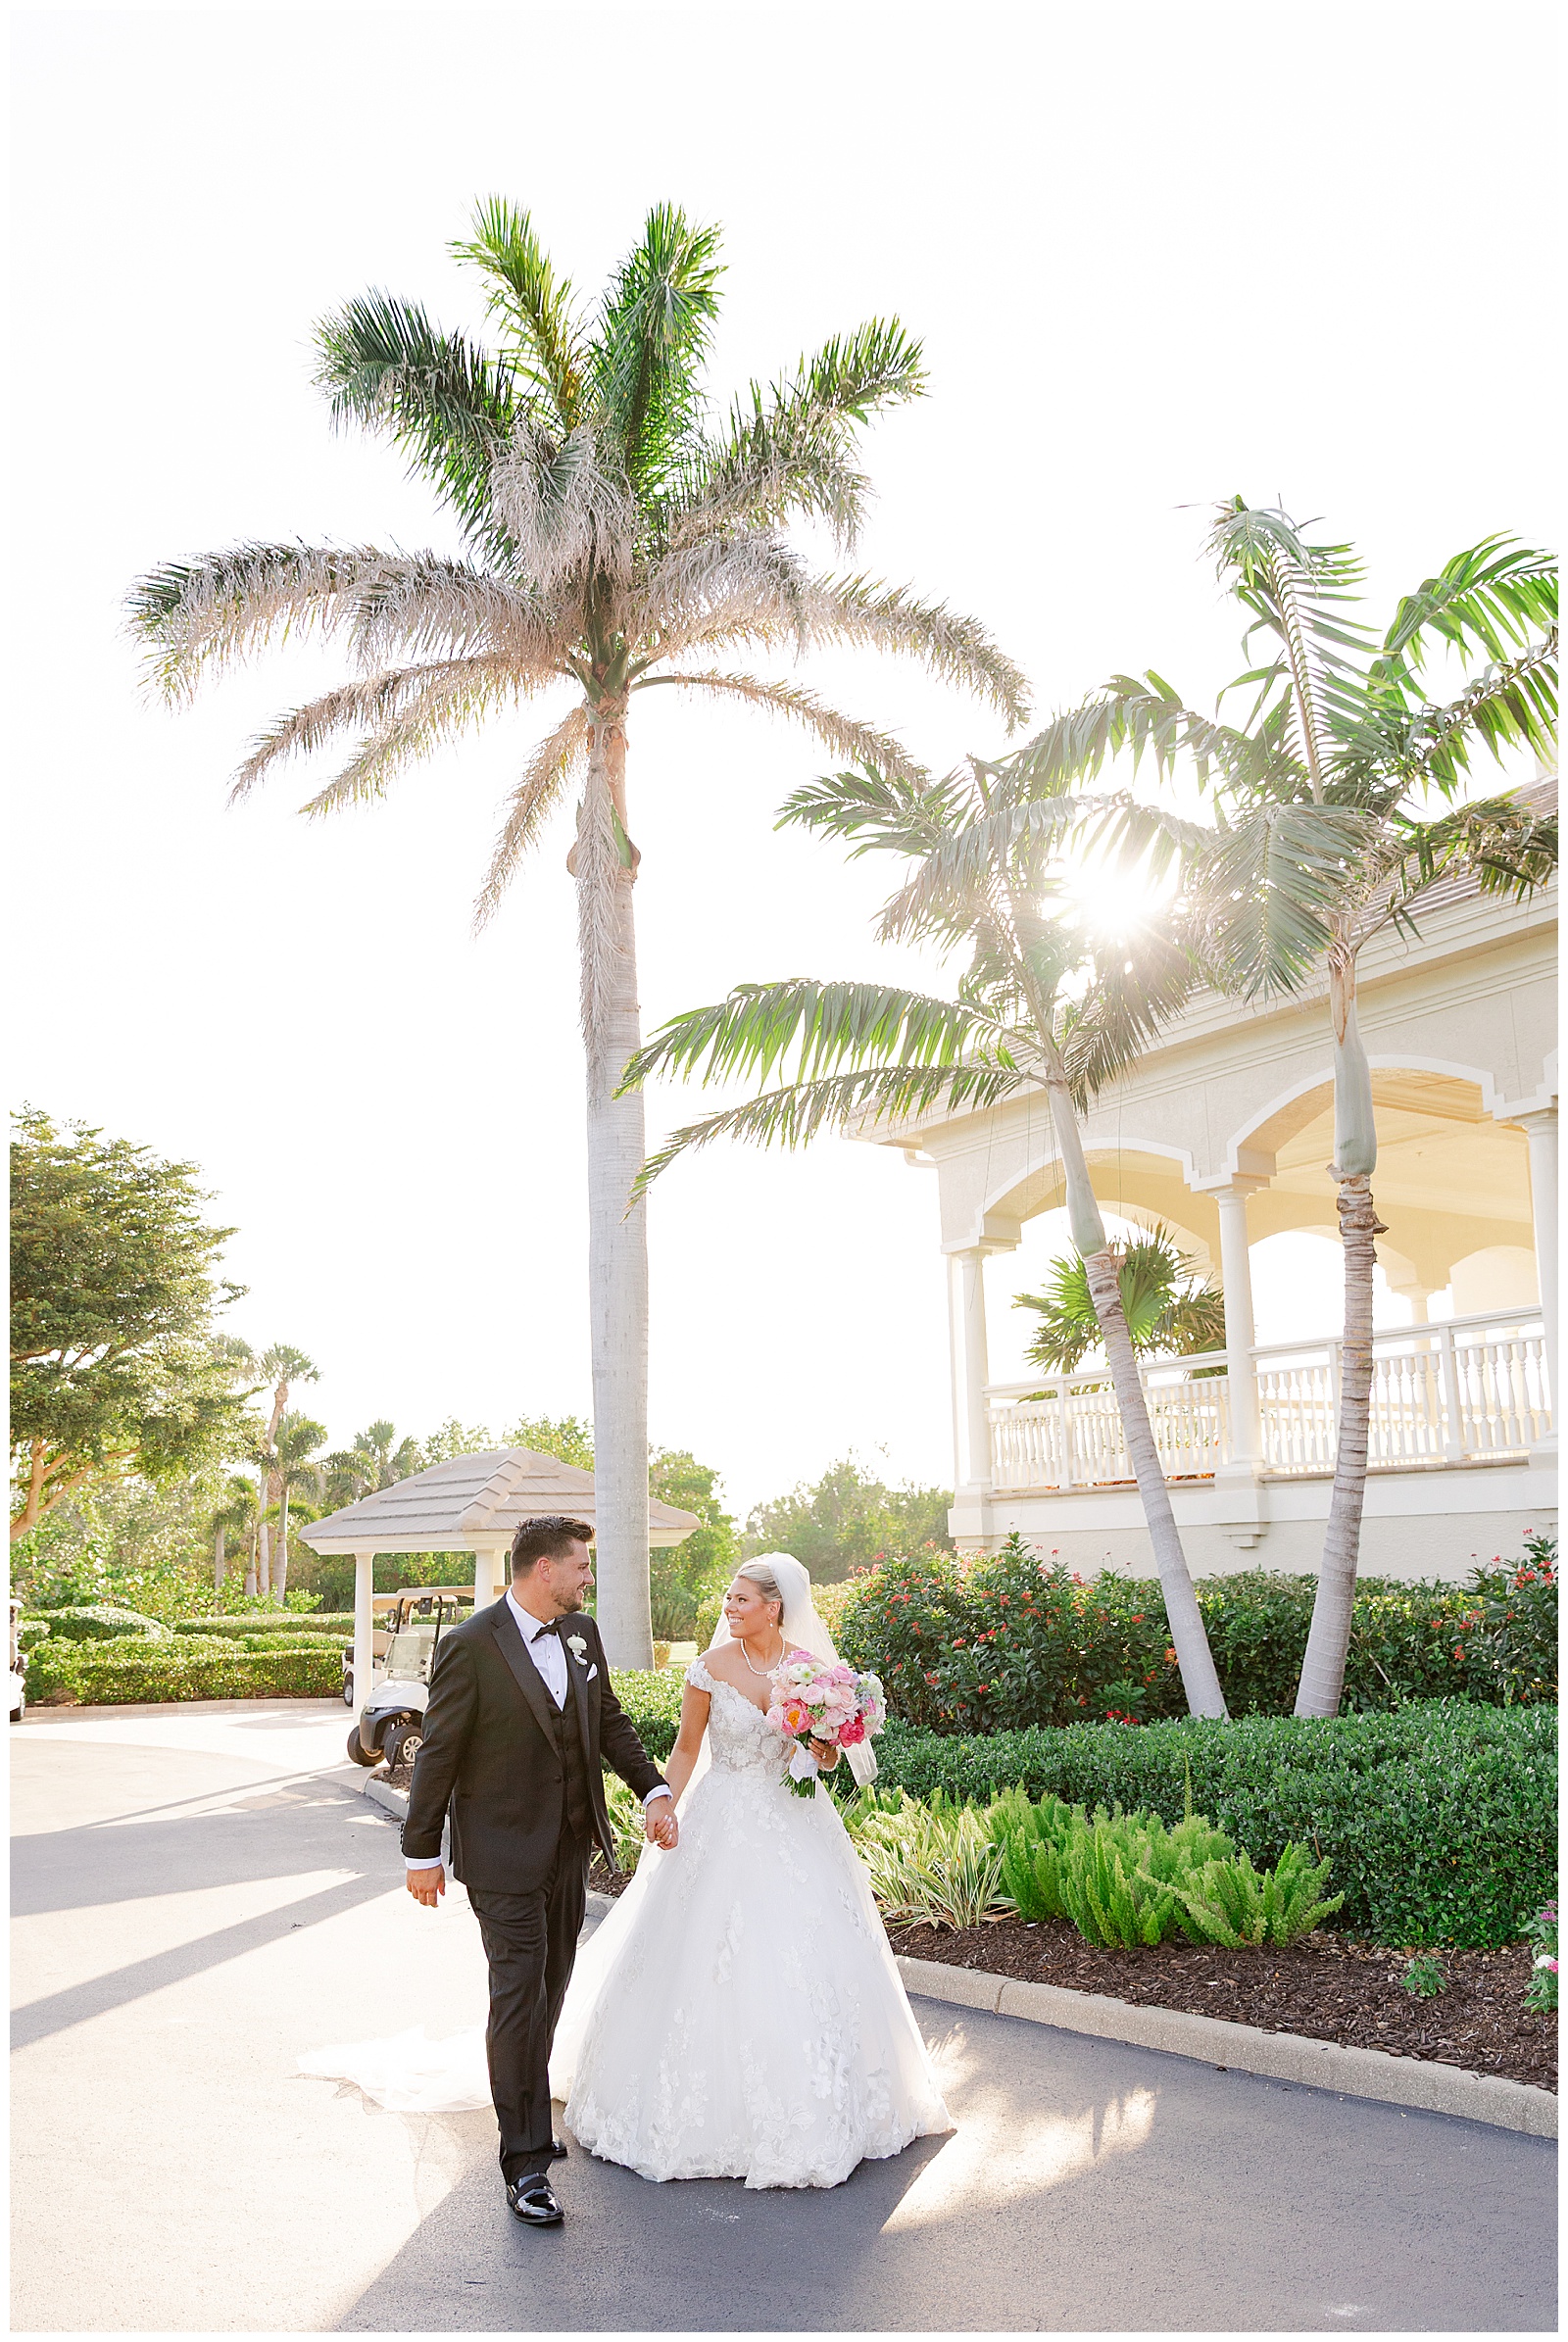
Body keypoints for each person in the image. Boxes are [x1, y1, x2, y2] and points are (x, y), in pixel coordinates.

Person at [547, 1552, 952, 2189]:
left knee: (806, 1952)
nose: (728, 1609)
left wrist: (823, 1749)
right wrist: (664, 1804)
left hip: (795, 1824)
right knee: (705, 1950)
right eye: (728, 1600)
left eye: (740, 1600)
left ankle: (829, 2108)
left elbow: (823, 1758)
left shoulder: (811, 1673)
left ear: (775, 1606)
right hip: (723, 1816)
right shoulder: (709, 1669)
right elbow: (685, 1749)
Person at [393, 1515, 675, 2227]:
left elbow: (608, 1719)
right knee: (519, 1997)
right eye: (581, 1566)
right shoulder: (468, 1644)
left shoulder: (580, 1635)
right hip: (500, 1855)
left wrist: (653, 1787)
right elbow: (439, 1753)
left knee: (551, 1989)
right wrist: (421, 1851)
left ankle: (523, 2106)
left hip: (570, 1849)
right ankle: (525, 2164)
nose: (589, 1578)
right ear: (543, 1569)